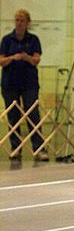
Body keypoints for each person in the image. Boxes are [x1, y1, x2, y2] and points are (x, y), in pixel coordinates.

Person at [0, 9, 49, 161]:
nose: (19, 23)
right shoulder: (7, 40)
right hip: (10, 84)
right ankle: (16, 148)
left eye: (22, 20)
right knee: (13, 117)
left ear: (28, 23)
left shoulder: (34, 39)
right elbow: (1, 61)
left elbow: (36, 60)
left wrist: (26, 57)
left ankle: (39, 148)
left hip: (29, 83)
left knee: (33, 115)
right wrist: (12, 58)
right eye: (17, 20)